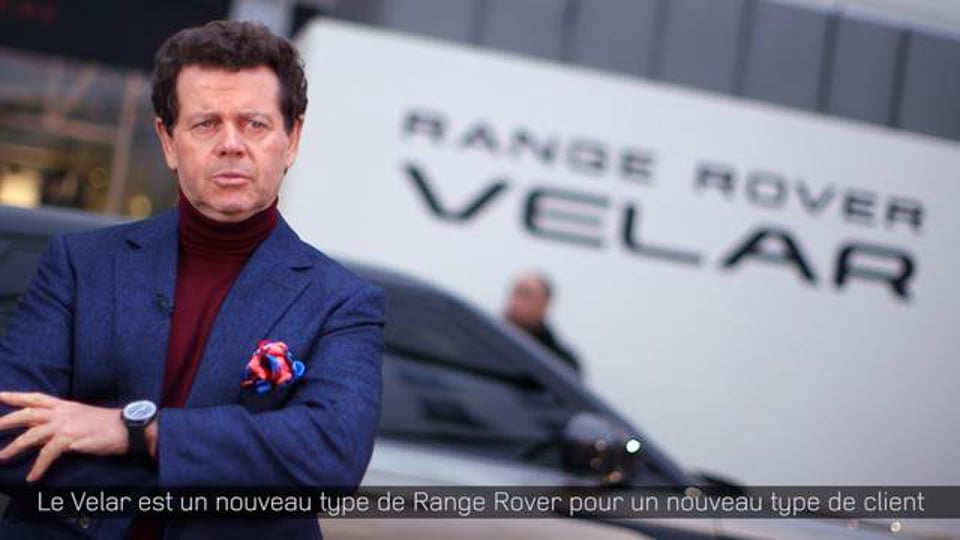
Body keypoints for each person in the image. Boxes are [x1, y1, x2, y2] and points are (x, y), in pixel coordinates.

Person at [0, 21, 384, 539]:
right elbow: (10, 436)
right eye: (206, 124)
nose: (231, 145)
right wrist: (225, 476)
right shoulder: (79, 265)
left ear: (291, 139)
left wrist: (131, 431)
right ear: (167, 140)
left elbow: (330, 458)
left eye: (255, 124)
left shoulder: (341, 302)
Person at [503, 272, 581, 375]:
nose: (515, 300)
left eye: (525, 294)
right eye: (515, 293)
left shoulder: (560, 362)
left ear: (545, 304)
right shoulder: (491, 344)